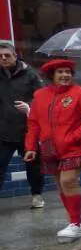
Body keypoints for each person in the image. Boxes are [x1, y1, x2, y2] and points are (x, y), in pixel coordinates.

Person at [24, 59, 81, 240]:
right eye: (60, 72)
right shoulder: (40, 95)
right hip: (50, 148)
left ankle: (75, 223)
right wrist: (30, 147)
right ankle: (76, 222)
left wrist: (72, 137)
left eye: (68, 72)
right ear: (52, 75)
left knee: (68, 181)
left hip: (75, 147)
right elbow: (33, 124)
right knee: (60, 184)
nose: (65, 75)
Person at [0, 41, 46, 208]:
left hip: (27, 130)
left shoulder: (30, 75)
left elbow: (42, 99)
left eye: (7, 55)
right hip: (3, 131)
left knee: (33, 166)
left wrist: (29, 107)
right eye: (0, 56)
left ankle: (37, 195)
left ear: (15, 55)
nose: (3, 59)